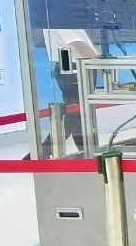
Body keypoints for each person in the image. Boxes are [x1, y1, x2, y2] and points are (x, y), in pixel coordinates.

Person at [38, 28, 98, 156]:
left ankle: (86, 154)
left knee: (80, 115)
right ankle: (42, 153)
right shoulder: (62, 21)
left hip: (73, 64)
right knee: (75, 114)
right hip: (75, 65)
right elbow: (76, 42)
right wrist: (100, 61)